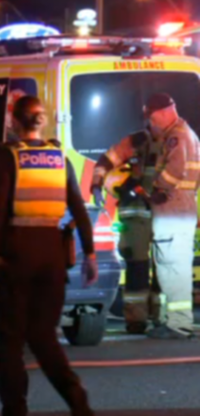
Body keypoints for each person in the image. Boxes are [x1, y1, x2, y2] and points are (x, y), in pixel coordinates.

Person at [0, 95, 97, 416]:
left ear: (14, 121)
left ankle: (15, 409)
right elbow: (79, 208)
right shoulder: (58, 158)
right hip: (52, 257)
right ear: (42, 121)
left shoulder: (10, 158)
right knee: (44, 337)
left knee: (11, 341)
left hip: (14, 258)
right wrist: (91, 254)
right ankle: (77, 400)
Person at [113, 93, 199, 339]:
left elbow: (174, 171)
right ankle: (175, 322)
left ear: (162, 112)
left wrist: (151, 190)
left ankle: (178, 324)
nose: (150, 123)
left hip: (172, 212)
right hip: (179, 211)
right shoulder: (183, 134)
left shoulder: (177, 137)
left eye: (151, 117)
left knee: (173, 269)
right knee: (174, 268)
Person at [90, 129, 162, 334]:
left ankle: (160, 318)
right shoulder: (137, 141)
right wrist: (96, 184)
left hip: (161, 214)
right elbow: (106, 160)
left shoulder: (176, 140)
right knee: (138, 269)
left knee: (163, 269)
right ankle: (138, 320)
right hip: (137, 214)